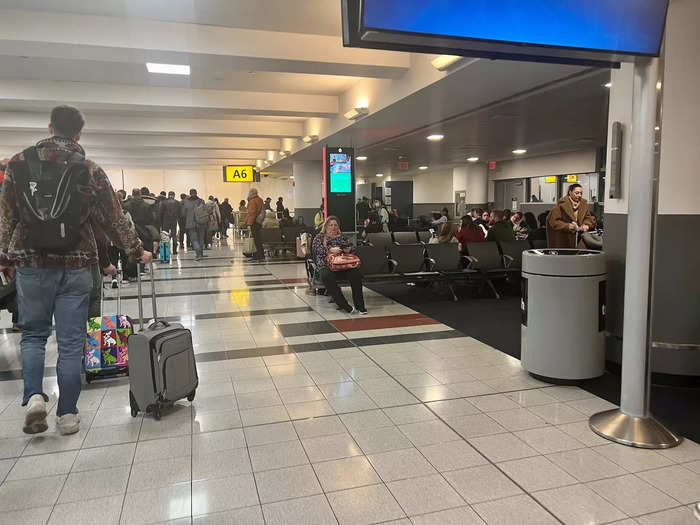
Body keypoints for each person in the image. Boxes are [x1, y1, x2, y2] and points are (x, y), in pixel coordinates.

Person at [0, 105, 151, 436]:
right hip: (77, 263)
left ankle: (36, 396)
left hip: (32, 263)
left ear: (50, 127)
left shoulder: (18, 164)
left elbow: (6, 215)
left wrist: (3, 257)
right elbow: (113, 217)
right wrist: (135, 250)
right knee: (71, 342)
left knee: (34, 335)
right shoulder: (90, 170)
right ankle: (67, 414)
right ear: (79, 134)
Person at [312, 216, 366, 314]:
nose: (333, 227)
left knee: (355, 274)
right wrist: (329, 250)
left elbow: (352, 248)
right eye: (330, 225)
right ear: (326, 226)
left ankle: (360, 306)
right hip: (326, 265)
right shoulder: (319, 237)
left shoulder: (342, 237)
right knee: (327, 276)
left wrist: (349, 250)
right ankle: (344, 305)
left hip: (342, 265)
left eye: (335, 225)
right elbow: (316, 251)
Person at [547, 183, 596, 248]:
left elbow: (588, 217)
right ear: (570, 192)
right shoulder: (560, 205)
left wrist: (586, 224)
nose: (579, 195)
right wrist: (568, 226)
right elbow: (553, 221)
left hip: (579, 237)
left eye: (581, 193)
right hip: (563, 238)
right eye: (577, 193)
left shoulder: (583, 205)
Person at [182, 189, 206, 260]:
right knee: (201, 239)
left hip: (190, 223)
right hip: (201, 223)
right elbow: (205, 211)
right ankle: (201, 254)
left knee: (194, 239)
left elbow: (183, 213)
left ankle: (198, 254)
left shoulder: (186, 202)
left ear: (190, 193)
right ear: (196, 193)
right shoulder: (201, 201)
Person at [246, 188, 265, 261]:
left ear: (251, 193)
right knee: (259, 239)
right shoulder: (260, 199)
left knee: (255, 240)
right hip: (259, 222)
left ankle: (257, 255)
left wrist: (249, 224)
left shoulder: (252, 201)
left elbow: (252, 213)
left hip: (254, 222)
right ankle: (261, 255)